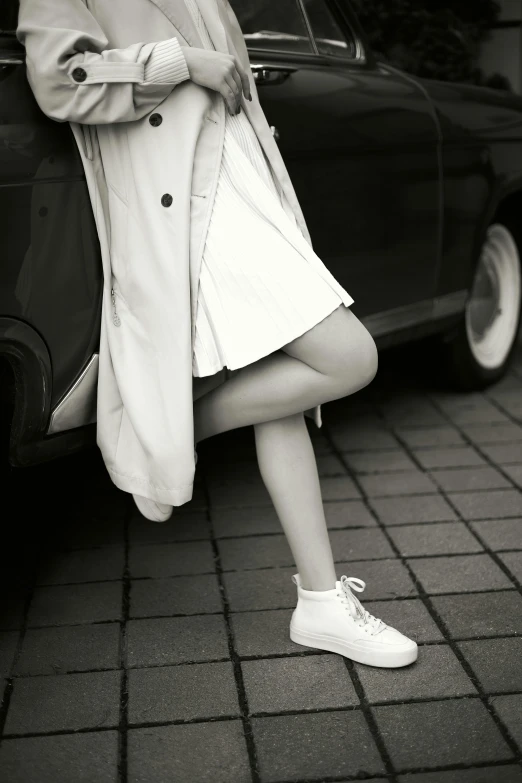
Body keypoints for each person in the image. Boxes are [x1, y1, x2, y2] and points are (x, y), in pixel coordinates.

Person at [17, 0, 417, 668]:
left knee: (282, 390)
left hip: (245, 180)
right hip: (190, 203)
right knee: (349, 354)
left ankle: (319, 600)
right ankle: (155, 431)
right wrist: (181, 62)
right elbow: (63, 78)